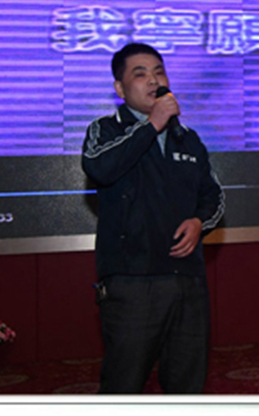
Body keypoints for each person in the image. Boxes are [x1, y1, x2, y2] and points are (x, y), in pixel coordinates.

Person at [82, 42, 225, 394]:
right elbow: (99, 168)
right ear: (120, 88)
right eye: (140, 73)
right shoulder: (106, 130)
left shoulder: (187, 139)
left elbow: (214, 198)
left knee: (187, 384)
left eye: (159, 72)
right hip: (132, 282)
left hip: (187, 281)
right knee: (123, 385)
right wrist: (152, 125)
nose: (153, 80)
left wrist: (198, 222)